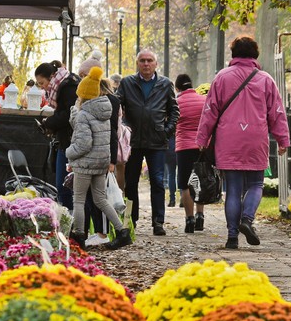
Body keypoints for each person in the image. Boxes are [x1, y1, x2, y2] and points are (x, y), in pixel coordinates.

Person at [195, 36, 289, 249]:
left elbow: (210, 110)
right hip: (256, 138)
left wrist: (202, 138)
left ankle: (232, 237)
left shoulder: (222, 78)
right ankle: (247, 220)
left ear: (234, 53)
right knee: (256, 183)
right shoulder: (265, 79)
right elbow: (277, 112)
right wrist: (282, 139)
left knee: (233, 189)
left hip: (229, 139)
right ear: (255, 54)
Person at [66, 66, 131, 250]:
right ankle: (121, 231)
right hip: (101, 161)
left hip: (86, 163)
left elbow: (83, 144)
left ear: (83, 94)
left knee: (78, 200)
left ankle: (78, 235)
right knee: (100, 199)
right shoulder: (102, 111)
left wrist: (69, 153)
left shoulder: (85, 115)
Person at [116, 49, 180, 235]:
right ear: (137, 63)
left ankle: (158, 222)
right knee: (131, 182)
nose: (146, 64)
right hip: (133, 141)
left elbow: (174, 111)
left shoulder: (165, 84)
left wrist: (166, 132)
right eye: (142, 60)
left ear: (155, 64)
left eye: (149, 60)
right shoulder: (127, 83)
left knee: (158, 182)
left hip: (157, 141)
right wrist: (123, 128)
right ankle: (130, 220)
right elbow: (118, 106)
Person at [35, 60, 80, 210]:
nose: (42, 87)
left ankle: (69, 217)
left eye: (42, 83)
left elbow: (68, 115)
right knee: (63, 184)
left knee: (64, 185)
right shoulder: (62, 84)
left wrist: (49, 122)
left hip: (71, 141)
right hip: (65, 139)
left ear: (52, 76)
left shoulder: (67, 87)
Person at [174, 74, 207, 233]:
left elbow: (171, 123)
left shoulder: (177, 102)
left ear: (177, 88)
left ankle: (189, 219)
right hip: (202, 147)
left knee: (185, 183)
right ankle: (200, 216)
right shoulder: (203, 100)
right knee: (200, 181)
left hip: (184, 148)